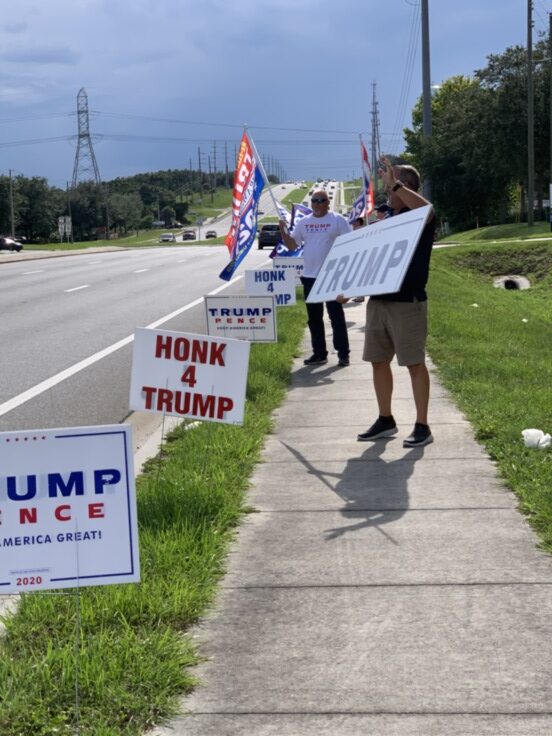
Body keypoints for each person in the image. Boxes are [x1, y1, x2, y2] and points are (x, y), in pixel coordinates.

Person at [357, 157, 435, 448]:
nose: (388, 192)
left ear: (408, 188)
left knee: (414, 363)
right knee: (378, 361)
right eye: (389, 187)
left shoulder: (422, 218)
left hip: (407, 302)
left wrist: (397, 184)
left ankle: (422, 425)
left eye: (391, 188)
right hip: (379, 301)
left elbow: (427, 210)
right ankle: (385, 419)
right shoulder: (386, 218)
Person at [279, 190, 352, 367]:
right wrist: (283, 231)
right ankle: (319, 353)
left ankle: (343, 354)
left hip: (332, 276)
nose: (318, 204)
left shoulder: (337, 220)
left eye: (321, 200)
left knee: (336, 316)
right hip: (310, 277)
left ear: (328, 202)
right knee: (314, 318)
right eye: (314, 201)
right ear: (311, 203)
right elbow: (291, 245)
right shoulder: (304, 222)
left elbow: (351, 243)